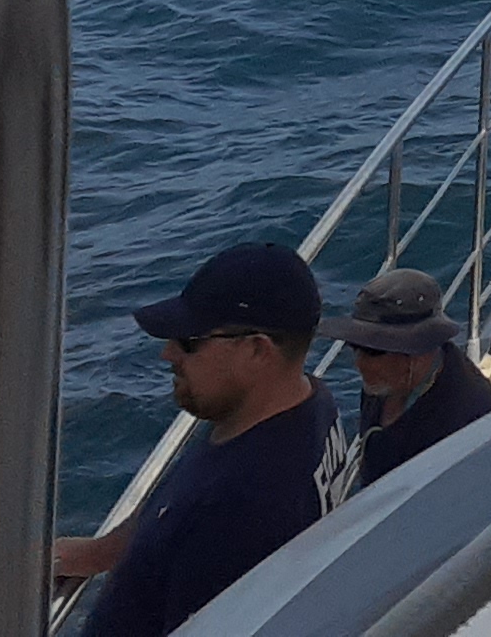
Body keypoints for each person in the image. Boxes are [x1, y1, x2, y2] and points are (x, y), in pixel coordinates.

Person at [50, 242, 356, 636]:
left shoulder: (240, 512)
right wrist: (101, 552)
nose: (168, 353)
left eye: (189, 341)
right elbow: (175, 505)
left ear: (257, 350)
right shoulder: (306, 403)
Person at [324, 267, 491, 483]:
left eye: (373, 351)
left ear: (416, 352)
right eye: (356, 347)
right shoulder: (385, 380)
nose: (359, 363)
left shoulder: (467, 420)